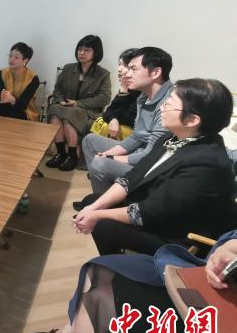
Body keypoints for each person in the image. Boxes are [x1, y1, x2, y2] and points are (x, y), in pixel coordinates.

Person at [27, 229, 237, 333]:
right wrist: (229, 247)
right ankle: (73, 330)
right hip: (208, 286)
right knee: (102, 270)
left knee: (106, 296)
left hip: (214, 332)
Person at [73, 79, 236, 257]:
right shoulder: (172, 137)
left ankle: (119, 266)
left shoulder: (208, 163)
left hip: (179, 236)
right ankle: (119, 260)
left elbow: (151, 212)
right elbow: (133, 177)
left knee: (104, 225)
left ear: (192, 120)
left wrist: (97, 216)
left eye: (169, 104)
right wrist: (95, 208)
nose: (162, 108)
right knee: (91, 202)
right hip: (157, 212)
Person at [82, 47, 173, 194]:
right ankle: (103, 198)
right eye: (127, 67)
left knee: (100, 162)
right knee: (90, 140)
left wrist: (111, 157)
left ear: (155, 72)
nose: (126, 74)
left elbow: (152, 155)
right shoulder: (144, 96)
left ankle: (105, 204)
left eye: (133, 69)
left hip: (153, 166)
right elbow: (137, 136)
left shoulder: (170, 103)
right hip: (142, 152)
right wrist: (108, 154)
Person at [46, 35, 111, 171]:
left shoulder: (103, 74)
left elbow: (105, 98)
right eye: (80, 49)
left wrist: (78, 103)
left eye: (87, 50)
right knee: (54, 111)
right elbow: (58, 89)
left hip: (88, 110)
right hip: (65, 107)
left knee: (68, 115)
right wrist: (60, 100)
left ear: (96, 53)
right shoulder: (68, 68)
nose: (81, 53)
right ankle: (61, 154)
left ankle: (72, 156)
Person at [87, 48, 140, 141]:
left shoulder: (142, 91)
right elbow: (108, 112)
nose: (119, 69)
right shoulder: (128, 88)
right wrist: (113, 119)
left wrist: (123, 91)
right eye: (119, 64)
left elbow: (129, 119)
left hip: (137, 138)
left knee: (103, 125)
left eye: (125, 65)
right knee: (102, 124)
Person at [0, 42, 40, 121]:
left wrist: (12, 99)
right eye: (10, 56)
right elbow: (0, 96)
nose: (11, 59)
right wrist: (3, 96)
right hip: (6, 106)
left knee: (13, 113)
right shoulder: (2, 73)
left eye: (16, 57)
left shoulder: (33, 78)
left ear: (25, 60)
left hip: (25, 110)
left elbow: (24, 103)